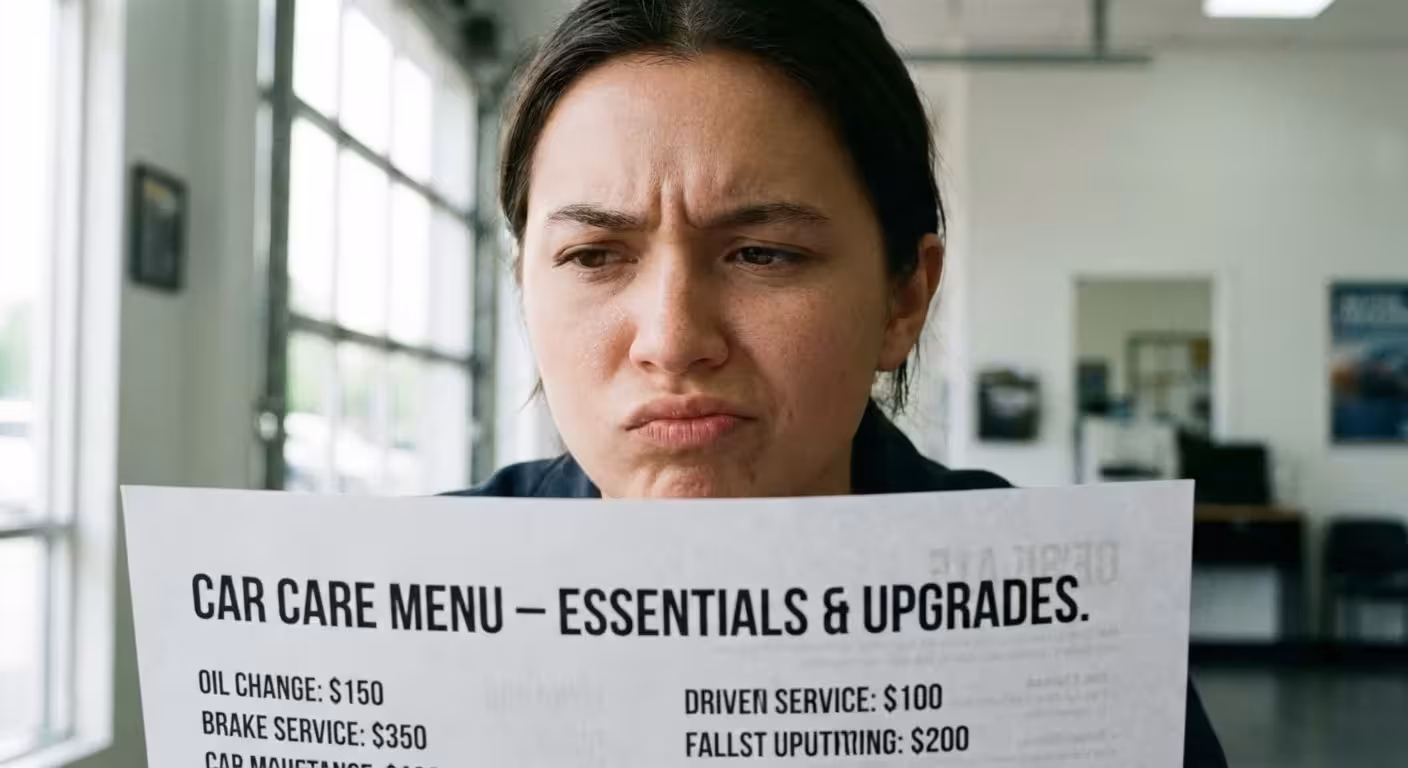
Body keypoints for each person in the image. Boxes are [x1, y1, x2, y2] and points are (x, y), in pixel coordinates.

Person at [450, 0, 1227, 764]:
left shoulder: (1076, 635)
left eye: (763, 253)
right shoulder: (399, 620)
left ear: (903, 299)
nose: (672, 340)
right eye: (593, 256)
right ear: (524, 290)